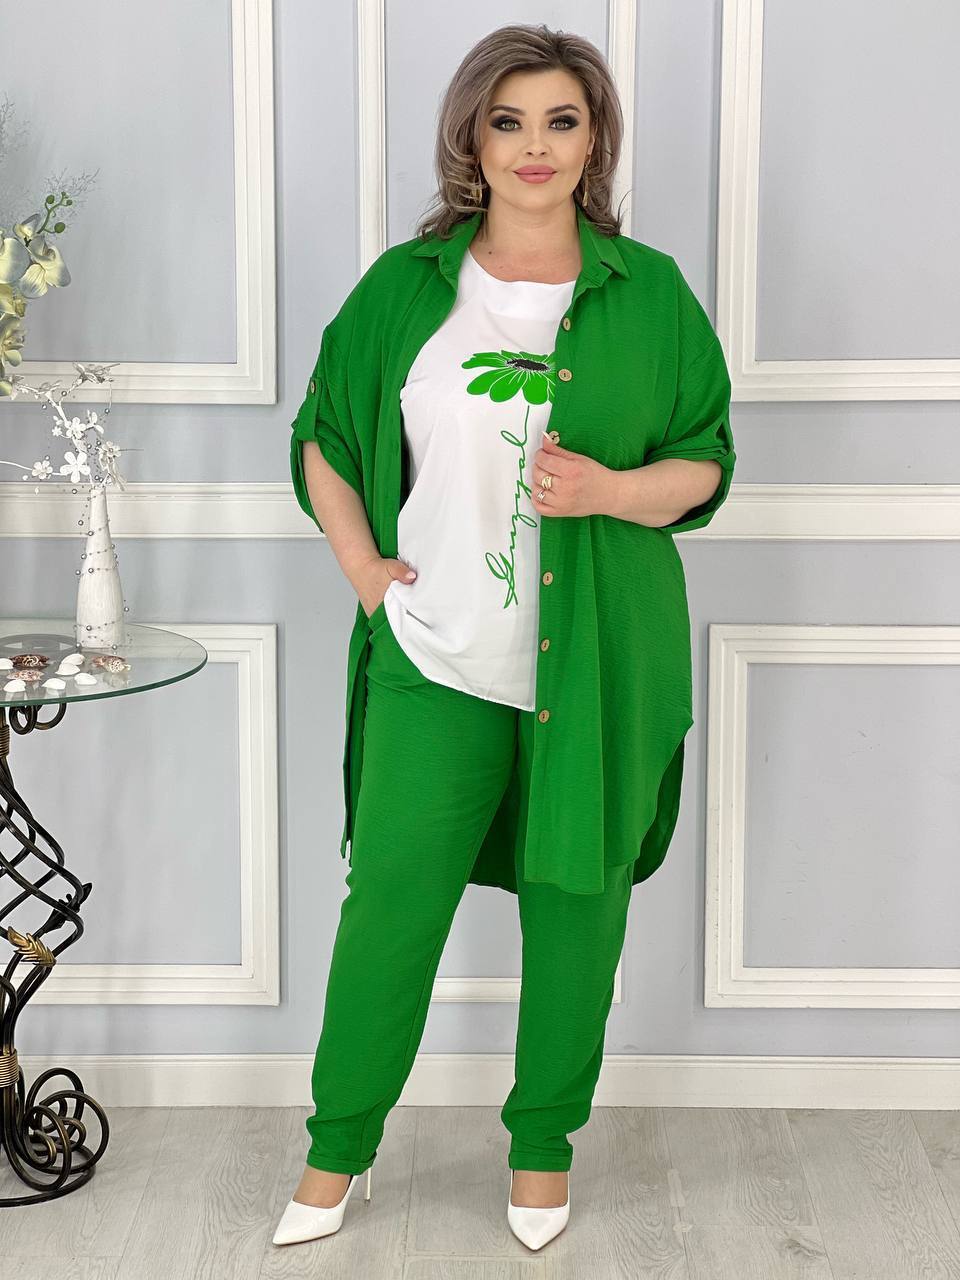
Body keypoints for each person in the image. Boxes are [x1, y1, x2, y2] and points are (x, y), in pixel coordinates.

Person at [273, 21, 736, 1252]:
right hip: (435, 651)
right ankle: (336, 1148)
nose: (536, 146)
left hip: (600, 661)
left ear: (594, 141)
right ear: (472, 139)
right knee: (392, 904)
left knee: (578, 904)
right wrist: (365, 573)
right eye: (509, 121)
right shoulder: (405, 288)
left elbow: (704, 459)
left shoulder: (651, 293)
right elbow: (324, 437)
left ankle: (542, 1146)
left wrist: (613, 491)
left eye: (562, 121)